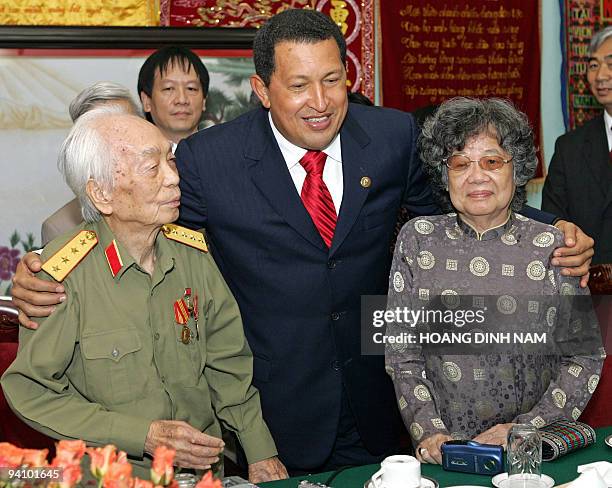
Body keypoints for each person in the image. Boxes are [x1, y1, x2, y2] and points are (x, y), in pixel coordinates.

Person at [11, 9, 596, 474]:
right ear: (262, 90)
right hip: (269, 408)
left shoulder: (391, 137)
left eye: (333, 80)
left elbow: (466, 210)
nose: (320, 102)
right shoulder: (209, 161)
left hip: (386, 396)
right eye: (298, 85)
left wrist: (553, 232)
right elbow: (133, 218)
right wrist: (45, 269)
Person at [2, 106, 287, 483]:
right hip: (113, 475)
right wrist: (142, 436)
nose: (173, 179)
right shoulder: (61, 276)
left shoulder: (193, 256)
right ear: (101, 194)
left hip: (201, 473)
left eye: (171, 161)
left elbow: (228, 362)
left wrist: (260, 450)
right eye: (152, 168)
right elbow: (32, 390)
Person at [385, 97, 604, 465]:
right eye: (460, 163)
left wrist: (526, 429)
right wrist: (430, 433)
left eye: (491, 161)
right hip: (444, 455)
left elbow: (583, 357)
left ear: (516, 170)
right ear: (444, 174)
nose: (476, 176)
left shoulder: (551, 246)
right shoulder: (417, 239)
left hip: (530, 455)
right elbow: (401, 353)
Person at [542, 26, 612, 265]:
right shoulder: (568, 148)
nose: (601, 75)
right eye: (593, 65)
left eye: (611, 63)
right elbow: (551, 224)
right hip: (589, 289)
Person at [41, 81, 141, 245]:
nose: (120, 141)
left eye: (127, 126)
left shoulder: (171, 200)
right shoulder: (60, 229)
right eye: (103, 130)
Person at [138, 46, 209, 151]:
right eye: (169, 88)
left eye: (191, 88)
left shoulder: (225, 155)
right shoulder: (132, 160)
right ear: (147, 101)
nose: (182, 100)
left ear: (204, 101)